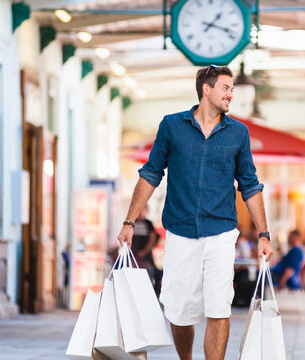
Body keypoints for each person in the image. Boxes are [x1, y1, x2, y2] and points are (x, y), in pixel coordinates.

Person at [117, 64, 274, 360]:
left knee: (219, 306)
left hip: (222, 233)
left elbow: (250, 185)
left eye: (231, 89)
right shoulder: (171, 126)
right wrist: (129, 221)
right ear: (207, 88)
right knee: (179, 311)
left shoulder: (238, 133)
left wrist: (264, 234)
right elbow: (151, 173)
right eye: (225, 88)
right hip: (180, 230)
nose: (231, 94)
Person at [131, 203, 162, 293]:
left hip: (146, 257)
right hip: (134, 256)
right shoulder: (133, 222)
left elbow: (152, 239)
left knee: (151, 276)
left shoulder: (148, 224)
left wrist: (144, 252)